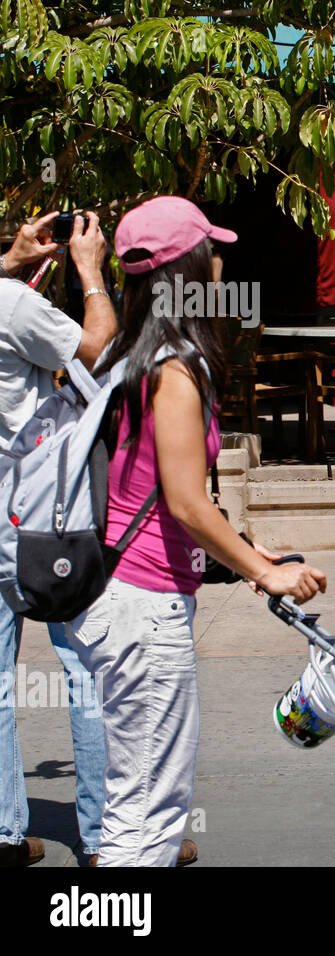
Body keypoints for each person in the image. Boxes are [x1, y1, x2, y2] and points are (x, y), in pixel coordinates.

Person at [68, 196, 327, 867]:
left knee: (136, 801)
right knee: (148, 817)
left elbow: (147, 487)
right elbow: (184, 501)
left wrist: (240, 549)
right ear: (188, 268)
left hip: (117, 598)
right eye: (211, 250)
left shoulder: (129, 351)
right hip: (144, 610)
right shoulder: (175, 367)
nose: (221, 261)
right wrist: (262, 571)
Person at [0, 211, 117, 867]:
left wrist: (13, 262)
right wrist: (90, 271)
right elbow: (97, 351)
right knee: (88, 672)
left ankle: (4, 834)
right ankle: (106, 840)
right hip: (41, 520)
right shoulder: (12, 306)